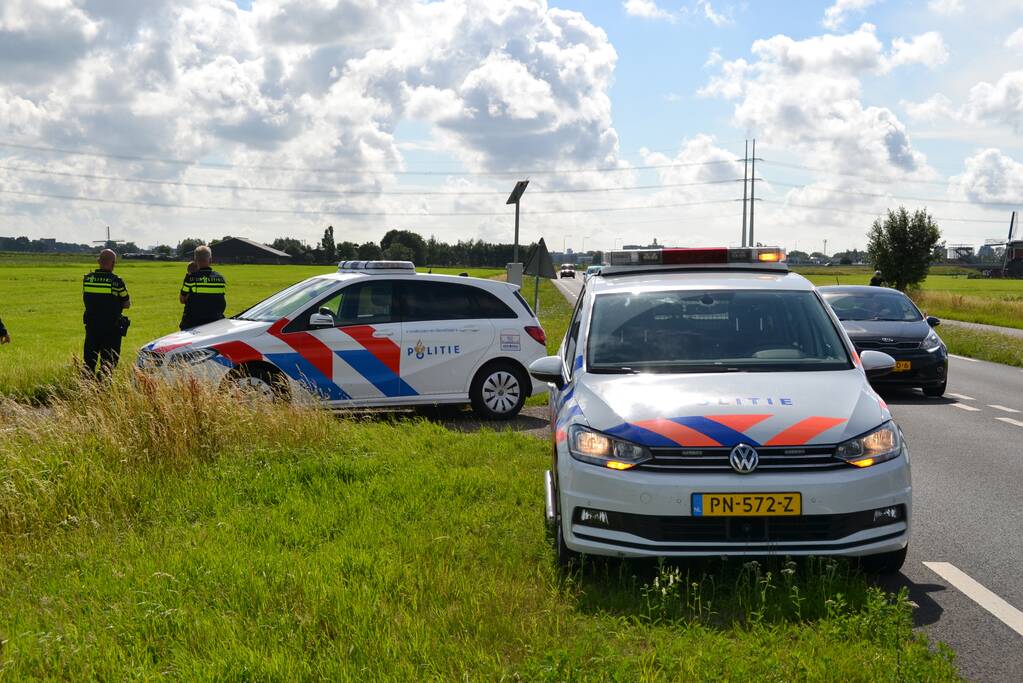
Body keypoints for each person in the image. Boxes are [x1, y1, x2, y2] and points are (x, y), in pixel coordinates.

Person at [83, 249, 130, 378]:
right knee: (108, 363)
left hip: (92, 326)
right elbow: (127, 304)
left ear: (98, 261)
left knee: (89, 361)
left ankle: (86, 388)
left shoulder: (87, 279)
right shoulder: (116, 281)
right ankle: (102, 390)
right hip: (111, 328)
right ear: (114, 263)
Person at [179, 245, 227, 329]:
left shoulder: (191, 278)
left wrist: (189, 274)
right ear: (210, 260)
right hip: (216, 323)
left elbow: (182, 300)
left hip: (193, 324)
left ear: (195, 260)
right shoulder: (221, 278)